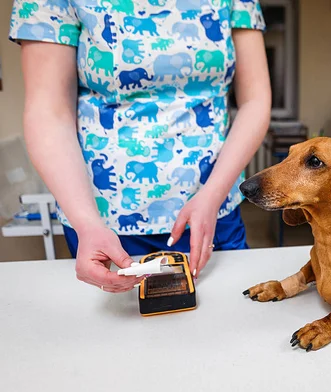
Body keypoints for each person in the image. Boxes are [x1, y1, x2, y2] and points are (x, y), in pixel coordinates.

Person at [9, 0, 271, 293]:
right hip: (103, 224)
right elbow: (49, 111)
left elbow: (255, 100)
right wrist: (86, 223)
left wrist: (212, 195)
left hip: (214, 211)